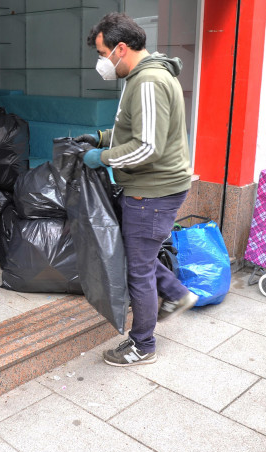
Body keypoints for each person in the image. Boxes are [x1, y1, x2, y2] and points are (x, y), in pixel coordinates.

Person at [76, 12, 197, 366]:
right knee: (138, 255)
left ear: (121, 48)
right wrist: (101, 138)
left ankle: (142, 344)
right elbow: (136, 131)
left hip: (152, 192)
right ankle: (176, 294)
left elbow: (147, 148)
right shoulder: (143, 76)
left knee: (138, 268)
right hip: (154, 188)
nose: (101, 62)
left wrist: (103, 158)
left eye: (102, 53)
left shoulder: (147, 82)